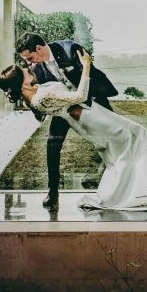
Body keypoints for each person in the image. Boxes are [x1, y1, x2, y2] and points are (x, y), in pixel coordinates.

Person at [0, 50, 147, 212]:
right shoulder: (41, 98)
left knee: (124, 149)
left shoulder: (34, 94)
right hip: (91, 119)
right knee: (138, 136)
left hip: (89, 114)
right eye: (22, 71)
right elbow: (79, 96)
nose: (27, 69)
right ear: (21, 83)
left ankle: (144, 192)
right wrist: (86, 64)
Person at [15, 33, 119, 209]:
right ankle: (52, 191)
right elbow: (38, 95)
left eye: (29, 58)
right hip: (64, 110)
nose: (29, 63)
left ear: (38, 48)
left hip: (93, 99)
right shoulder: (37, 69)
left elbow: (90, 76)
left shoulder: (70, 49)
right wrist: (40, 110)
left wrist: (82, 105)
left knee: (113, 135)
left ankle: (114, 177)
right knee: (52, 144)